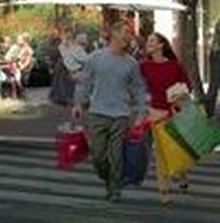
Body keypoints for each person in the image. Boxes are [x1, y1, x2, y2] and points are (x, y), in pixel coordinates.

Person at [72, 20, 149, 203]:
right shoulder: (95, 58)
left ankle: (115, 190)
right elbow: (85, 83)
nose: (129, 37)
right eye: (125, 32)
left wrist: (140, 112)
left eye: (130, 33)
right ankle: (109, 179)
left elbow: (139, 89)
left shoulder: (131, 64)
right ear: (114, 34)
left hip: (121, 115)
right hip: (97, 113)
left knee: (116, 156)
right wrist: (78, 104)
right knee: (98, 156)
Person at [139, 31, 192, 204]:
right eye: (148, 41)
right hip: (156, 114)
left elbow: (187, 87)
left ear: (161, 45)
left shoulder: (174, 66)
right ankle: (164, 192)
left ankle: (183, 175)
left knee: (179, 150)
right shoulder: (144, 66)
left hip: (174, 113)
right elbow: (137, 88)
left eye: (152, 41)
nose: (149, 43)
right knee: (161, 154)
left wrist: (175, 99)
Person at [1, 33, 35, 99]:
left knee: (14, 78)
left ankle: (19, 92)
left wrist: (22, 67)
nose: (18, 41)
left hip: (23, 68)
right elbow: (16, 58)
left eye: (20, 39)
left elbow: (28, 60)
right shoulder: (21, 48)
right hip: (18, 67)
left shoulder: (28, 49)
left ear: (25, 40)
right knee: (11, 76)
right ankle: (15, 94)